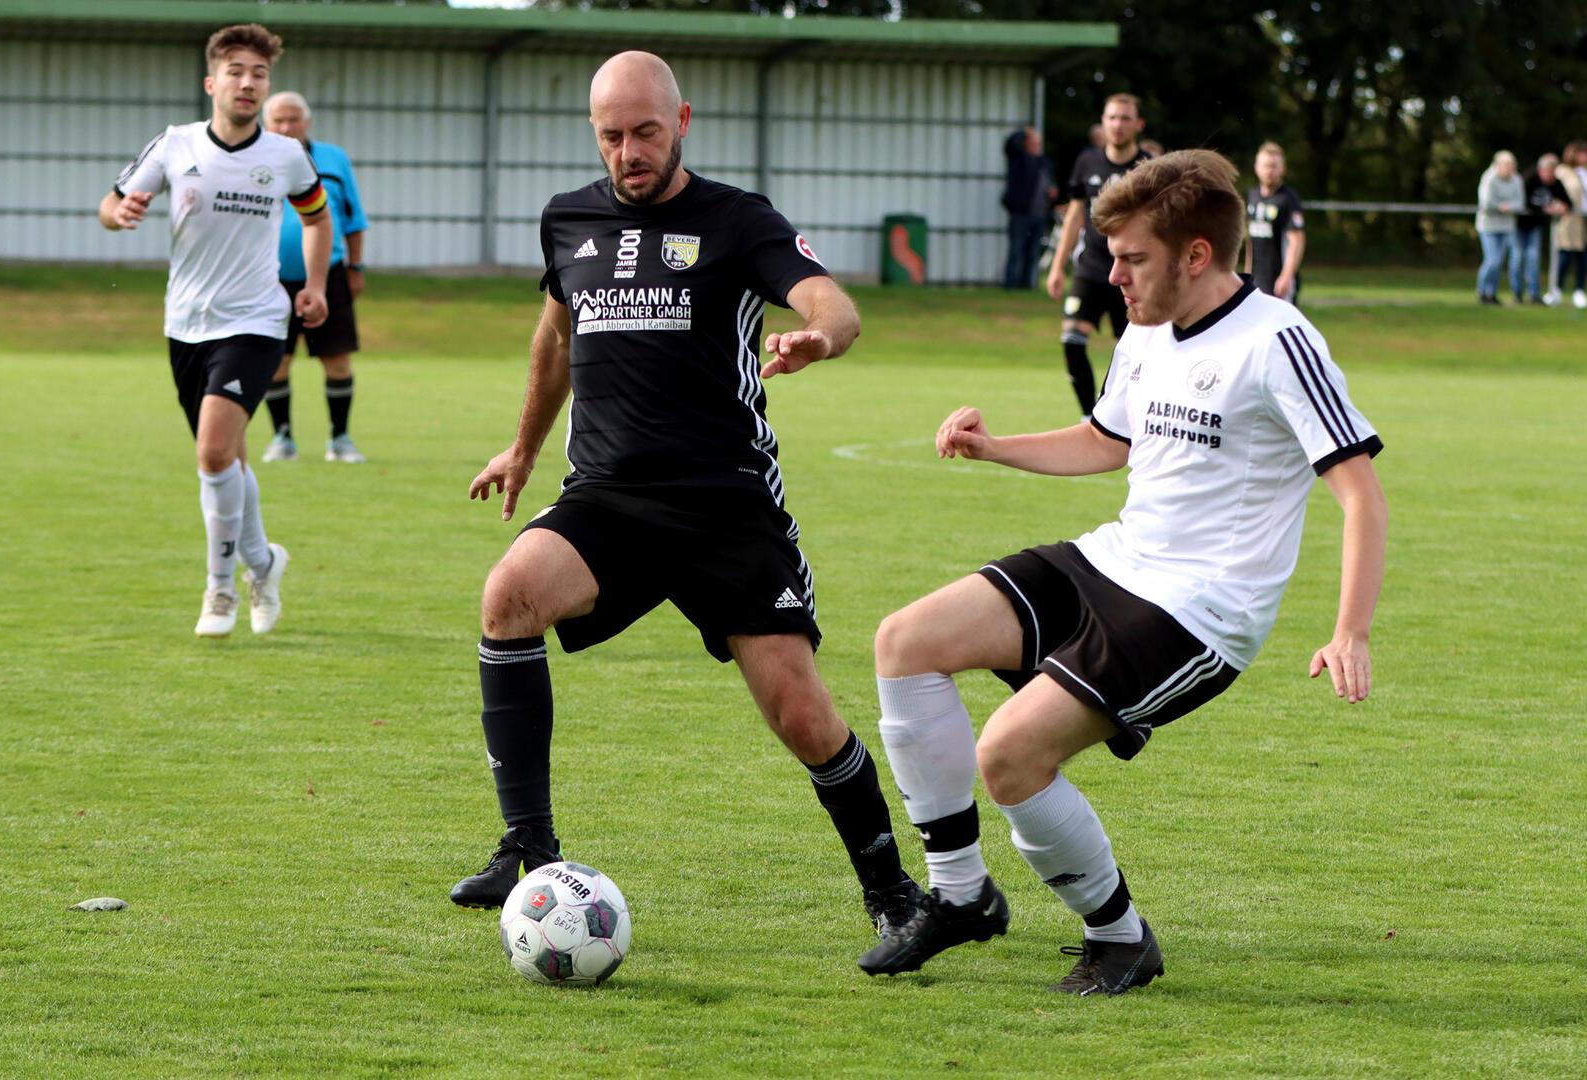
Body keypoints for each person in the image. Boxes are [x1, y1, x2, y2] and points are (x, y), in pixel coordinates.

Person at [856, 149, 1386, 995]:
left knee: (1011, 757)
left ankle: (1121, 937)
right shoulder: (1143, 330)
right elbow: (1110, 441)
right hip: (1115, 557)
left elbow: (1361, 495)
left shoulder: (1279, 341)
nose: (1113, 276)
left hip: (1202, 607)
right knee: (905, 642)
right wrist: (996, 448)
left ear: (1198, 255)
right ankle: (960, 896)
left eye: (1133, 258)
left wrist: (1349, 630)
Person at [452, 52, 925, 949]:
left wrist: (821, 336)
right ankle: (528, 844)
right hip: (608, 499)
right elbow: (554, 341)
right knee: (508, 594)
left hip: (725, 505)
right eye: (611, 135)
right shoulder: (568, 220)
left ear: (683, 122)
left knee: (801, 713)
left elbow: (834, 302)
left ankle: (895, 894)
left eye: (646, 132)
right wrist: (522, 447)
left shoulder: (738, 220)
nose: (629, 152)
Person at [98, 23, 330, 638]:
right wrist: (119, 214)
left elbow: (317, 218)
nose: (248, 83)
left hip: (256, 321)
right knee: (229, 460)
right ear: (212, 82)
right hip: (186, 324)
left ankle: (220, 589)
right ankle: (263, 561)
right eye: (236, 72)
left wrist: (316, 284)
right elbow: (111, 202)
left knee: (212, 452)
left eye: (259, 74)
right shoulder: (175, 145)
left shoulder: (284, 155)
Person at [261, 92, 370, 463]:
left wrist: (356, 267)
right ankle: (282, 437)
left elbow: (353, 219)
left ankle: (340, 439)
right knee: (276, 361)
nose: (286, 127)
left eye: (293, 119)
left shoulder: (334, 160)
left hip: (329, 274)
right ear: (266, 123)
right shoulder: (255, 158)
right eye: (278, 120)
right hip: (268, 278)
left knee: (337, 360)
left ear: (306, 121)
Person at [1046, 93, 1152, 420]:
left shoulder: (1148, 167)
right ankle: (1088, 418)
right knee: (1072, 339)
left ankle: (1125, 419)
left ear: (1138, 124)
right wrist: (1057, 266)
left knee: (1134, 353)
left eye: (1124, 118)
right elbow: (1075, 214)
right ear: (1102, 122)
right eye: (1112, 118)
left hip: (1132, 275)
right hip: (1090, 269)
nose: (1117, 125)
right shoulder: (1087, 163)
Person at [1242, 141, 1306, 303]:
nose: (1269, 171)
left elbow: (1296, 240)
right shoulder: (1252, 196)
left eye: (1273, 166)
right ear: (1257, 167)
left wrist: (1286, 276)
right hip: (1256, 280)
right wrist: (1246, 275)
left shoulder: (1288, 199)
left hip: (1278, 281)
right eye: (1265, 165)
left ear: (1282, 169)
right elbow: (1250, 240)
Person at [1547, 139, 1587, 309]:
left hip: (1586, 221)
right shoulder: (1563, 171)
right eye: (1582, 153)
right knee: (1564, 256)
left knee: (1583, 257)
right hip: (1568, 221)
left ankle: (1580, 291)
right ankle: (1556, 290)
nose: (1585, 157)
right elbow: (1553, 193)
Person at [1001, 126, 1054, 290]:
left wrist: (1052, 190)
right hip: (1020, 213)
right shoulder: (1018, 158)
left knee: (1033, 252)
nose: (1036, 145)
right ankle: (1010, 284)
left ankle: (1027, 285)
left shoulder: (1043, 162)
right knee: (1016, 250)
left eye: (1038, 143)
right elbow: (1010, 144)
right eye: (1032, 142)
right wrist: (1024, 132)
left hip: (1039, 214)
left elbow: (1050, 182)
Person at [1515, 153, 1567, 304]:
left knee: (1533, 259)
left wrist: (1563, 206)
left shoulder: (1555, 182)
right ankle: (1517, 294)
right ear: (1541, 169)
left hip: (1535, 227)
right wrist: (1545, 208)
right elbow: (1522, 202)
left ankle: (1534, 294)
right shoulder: (1529, 179)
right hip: (1519, 226)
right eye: (1548, 172)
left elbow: (1567, 200)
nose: (1550, 176)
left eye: (1553, 172)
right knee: (1518, 259)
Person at [1475, 151, 1523, 305]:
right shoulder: (1489, 178)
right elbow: (1486, 203)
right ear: (1498, 166)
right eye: (1507, 166)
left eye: (1512, 167)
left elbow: (1520, 203)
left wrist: (1509, 207)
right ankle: (1481, 291)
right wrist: (1500, 207)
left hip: (1507, 226)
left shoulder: (1517, 179)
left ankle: (1492, 293)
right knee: (1492, 260)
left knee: (1500, 261)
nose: (1510, 170)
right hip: (1488, 225)